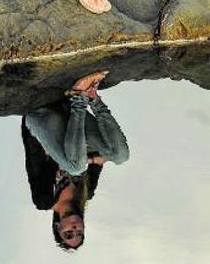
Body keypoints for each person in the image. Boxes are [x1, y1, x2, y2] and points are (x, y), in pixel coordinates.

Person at [21, 70, 130, 250]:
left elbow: (39, 160)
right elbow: (102, 159)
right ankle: (92, 98)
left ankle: (80, 97)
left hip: (42, 124)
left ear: (57, 227)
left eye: (68, 234)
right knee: (120, 156)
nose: (75, 228)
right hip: (71, 122)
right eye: (79, 232)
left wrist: (88, 160)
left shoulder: (45, 200)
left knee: (76, 167)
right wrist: (92, 160)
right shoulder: (87, 192)